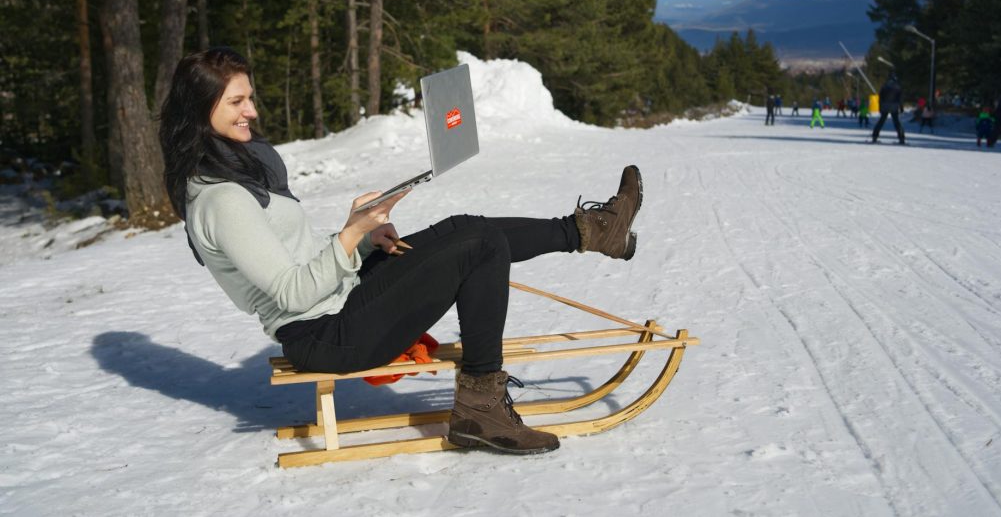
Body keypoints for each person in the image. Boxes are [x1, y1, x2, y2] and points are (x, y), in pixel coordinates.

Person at [159, 48, 645, 456]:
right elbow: (290, 291)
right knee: (478, 245)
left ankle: (596, 231)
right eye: (237, 101)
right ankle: (479, 408)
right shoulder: (221, 198)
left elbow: (297, 260)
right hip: (326, 334)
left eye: (251, 98)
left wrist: (363, 238)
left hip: (340, 300)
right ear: (201, 109)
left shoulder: (235, 170)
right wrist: (351, 235)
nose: (252, 111)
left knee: (466, 230)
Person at [871, 71, 905, 144]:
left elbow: (880, 97)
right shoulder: (898, 86)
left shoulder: (885, 86)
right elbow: (900, 98)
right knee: (897, 122)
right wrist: (901, 107)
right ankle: (901, 138)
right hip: (894, 106)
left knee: (881, 121)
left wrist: (880, 107)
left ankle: (874, 136)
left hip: (885, 105)